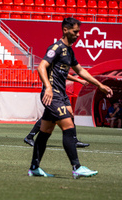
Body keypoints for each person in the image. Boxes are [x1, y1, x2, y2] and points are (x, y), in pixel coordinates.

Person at [28, 18, 113, 179]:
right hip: (53, 95)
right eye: (75, 31)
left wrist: (99, 85)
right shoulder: (56, 48)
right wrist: (47, 87)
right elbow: (41, 66)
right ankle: (77, 167)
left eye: (79, 32)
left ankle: (34, 167)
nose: (78, 35)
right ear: (65, 30)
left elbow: (81, 71)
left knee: (45, 131)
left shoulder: (69, 51)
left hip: (61, 95)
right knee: (68, 126)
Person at [24, 74, 90, 148]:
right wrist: (79, 80)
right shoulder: (50, 65)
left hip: (61, 93)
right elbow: (65, 75)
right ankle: (30, 137)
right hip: (51, 93)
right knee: (50, 115)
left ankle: (74, 140)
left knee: (70, 113)